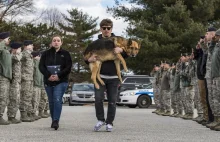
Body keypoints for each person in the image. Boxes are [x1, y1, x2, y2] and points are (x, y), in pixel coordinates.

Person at [84, 18, 128, 132]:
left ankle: (109, 123)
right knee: (98, 100)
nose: (106, 30)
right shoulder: (95, 43)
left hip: (114, 77)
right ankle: (100, 120)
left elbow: (127, 55)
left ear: (111, 29)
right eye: (104, 28)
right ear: (101, 29)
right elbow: (86, 57)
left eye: (109, 28)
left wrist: (121, 51)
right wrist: (89, 59)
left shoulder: (117, 41)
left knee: (112, 101)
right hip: (101, 76)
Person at [39, 35, 72, 130]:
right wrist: (49, 75)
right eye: (54, 40)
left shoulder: (66, 54)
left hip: (61, 81)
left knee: (57, 98)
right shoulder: (45, 54)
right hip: (48, 80)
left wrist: (59, 76)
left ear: (61, 42)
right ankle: (53, 119)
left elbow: (68, 67)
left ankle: (56, 121)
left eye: (58, 40)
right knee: (51, 101)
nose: (56, 42)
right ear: (51, 43)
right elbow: (41, 66)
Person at [7, 42, 23, 124]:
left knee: (16, 99)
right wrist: (18, 53)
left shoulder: (16, 56)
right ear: (15, 49)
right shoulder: (12, 56)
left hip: (17, 80)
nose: (21, 50)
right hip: (13, 81)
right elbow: (17, 58)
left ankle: (13, 115)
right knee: (13, 99)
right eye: (19, 48)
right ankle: (11, 116)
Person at [20, 40, 34, 122]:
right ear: (26, 46)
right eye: (31, 45)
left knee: (28, 96)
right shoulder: (24, 54)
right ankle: (23, 115)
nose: (33, 47)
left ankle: (28, 113)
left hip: (29, 78)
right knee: (25, 96)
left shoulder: (29, 55)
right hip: (25, 79)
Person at [0, 32, 12, 125]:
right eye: (8, 38)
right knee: (2, 97)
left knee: (4, 97)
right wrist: (2, 42)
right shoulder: (1, 47)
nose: (9, 40)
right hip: (2, 76)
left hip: (6, 76)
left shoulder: (5, 49)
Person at [31, 51, 43, 120]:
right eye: (38, 56)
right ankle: (32, 113)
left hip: (38, 84)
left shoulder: (39, 64)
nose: (39, 57)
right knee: (34, 99)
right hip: (35, 84)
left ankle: (34, 112)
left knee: (37, 99)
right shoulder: (34, 62)